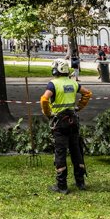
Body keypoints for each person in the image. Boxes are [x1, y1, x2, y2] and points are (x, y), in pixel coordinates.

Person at [40, 59, 92, 193]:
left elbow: (44, 99)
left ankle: (62, 186)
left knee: (60, 152)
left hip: (59, 122)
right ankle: (80, 182)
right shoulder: (73, 83)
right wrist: (79, 107)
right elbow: (87, 93)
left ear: (55, 70)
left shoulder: (53, 84)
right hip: (73, 121)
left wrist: (48, 113)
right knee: (76, 151)